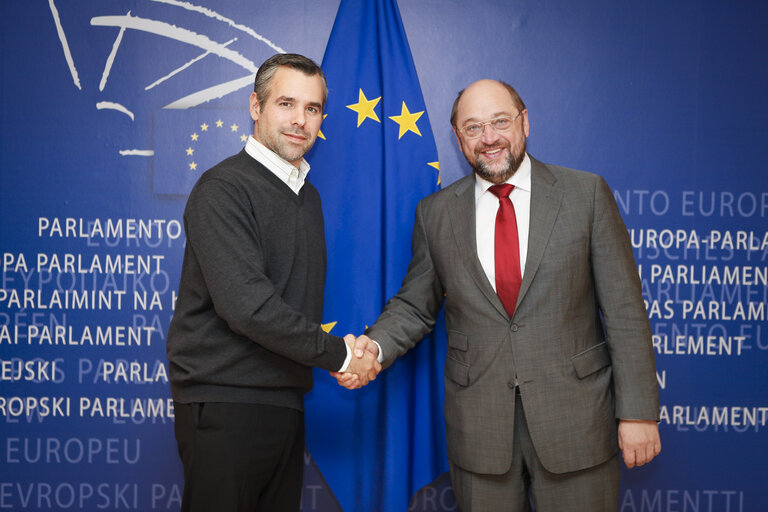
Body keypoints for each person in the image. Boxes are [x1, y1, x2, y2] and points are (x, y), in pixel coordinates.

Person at [336, 79, 660, 511]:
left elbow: (624, 311)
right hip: (481, 432)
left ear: (524, 122)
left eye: (500, 122)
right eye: (473, 128)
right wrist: (372, 347)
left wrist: (637, 412)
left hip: (577, 423)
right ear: (458, 138)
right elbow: (415, 305)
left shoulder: (586, 195)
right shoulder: (435, 214)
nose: (489, 138)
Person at [166, 53, 380, 512]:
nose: (300, 120)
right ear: (255, 107)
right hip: (226, 406)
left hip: (284, 403)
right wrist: (342, 354)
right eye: (286, 103)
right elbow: (249, 307)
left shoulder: (308, 197)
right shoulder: (223, 188)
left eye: (313, 108)